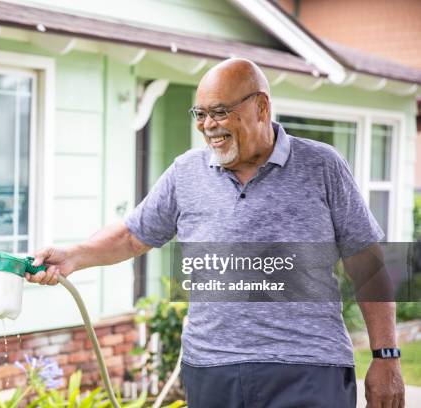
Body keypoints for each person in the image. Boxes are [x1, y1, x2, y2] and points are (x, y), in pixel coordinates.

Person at [26, 58, 405, 408]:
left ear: (261, 107)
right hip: (212, 369)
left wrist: (385, 356)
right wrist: (73, 256)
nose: (209, 125)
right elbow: (132, 235)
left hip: (306, 367)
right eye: (201, 114)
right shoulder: (185, 172)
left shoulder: (322, 166)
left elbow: (368, 266)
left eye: (221, 112)